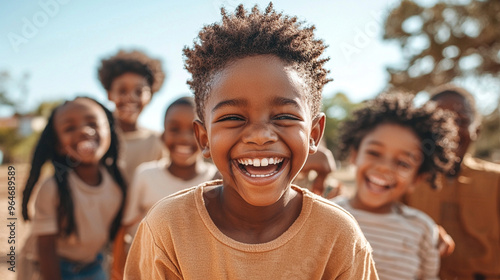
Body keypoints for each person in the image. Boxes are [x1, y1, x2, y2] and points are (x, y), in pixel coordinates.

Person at [124, 3, 378, 279]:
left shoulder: (338, 235)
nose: (259, 135)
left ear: (314, 133)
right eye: (233, 117)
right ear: (204, 138)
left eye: (284, 116)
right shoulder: (168, 227)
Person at [333, 93, 458, 279]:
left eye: (403, 163)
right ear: (354, 155)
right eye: (374, 152)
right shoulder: (326, 215)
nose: (384, 167)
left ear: (417, 179)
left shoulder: (422, 228)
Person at [19, 97, 127, 280]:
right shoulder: (52, 188)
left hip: (93, 265)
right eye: (69, 128)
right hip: (49, 268)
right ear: (59, 145)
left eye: (93, 123)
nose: (84, 131)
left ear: (109, 129)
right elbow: (45, 248)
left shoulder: (117, 184)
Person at [111, 97, 218, 279]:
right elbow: (125, 228)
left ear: (206, 137)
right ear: (162, 135)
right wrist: (117, 271)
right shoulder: (145, 175)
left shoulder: (216, 179)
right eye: (174, 129)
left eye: (193, 130)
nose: (184, 138)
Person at [404, 85, 500, 280]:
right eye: (440, 120)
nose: (451, 129)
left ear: (477, 130)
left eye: (462, 121)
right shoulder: (406, 180)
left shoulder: (495, 181)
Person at [97, 49, 166, 184]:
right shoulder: (99, 138)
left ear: (150, 96)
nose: (130, 98)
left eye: (139, 91)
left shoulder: (157, 142)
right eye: (122, 91)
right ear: (110, 94)